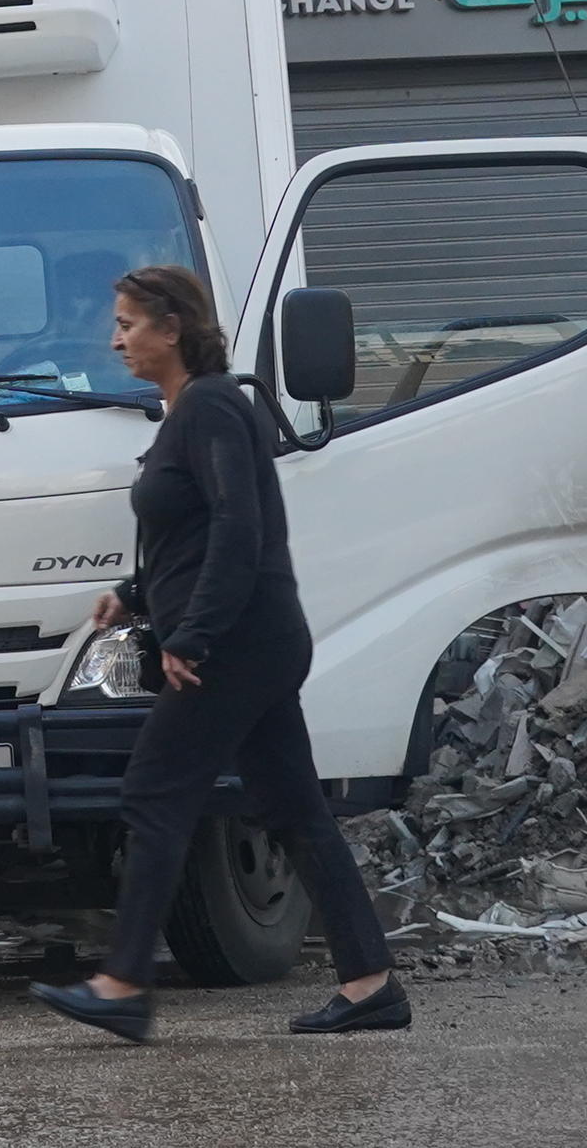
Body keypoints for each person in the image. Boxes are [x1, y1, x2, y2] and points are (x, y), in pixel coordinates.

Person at [30, 264, 407, 1041]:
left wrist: (193, 634)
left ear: (172, 329)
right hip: (254, 637)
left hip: (236, 642)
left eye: (129, 322)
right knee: (296, 809)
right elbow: (195, 531)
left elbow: (241, 527)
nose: (116, 338)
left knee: (153, 794)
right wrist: (135, 596)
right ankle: (371, 983)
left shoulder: (208, 406)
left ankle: (123, 982)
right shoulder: (188, 414)